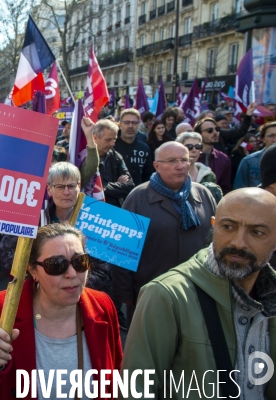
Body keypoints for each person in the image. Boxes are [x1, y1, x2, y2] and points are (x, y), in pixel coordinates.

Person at [122, 188, 276, 399]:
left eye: (257, 232)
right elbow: (136, 390)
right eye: (228, 227)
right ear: (213, 226)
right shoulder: (166, 296)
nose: (238, 242)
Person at [0, 224, 123, 399]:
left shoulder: (103, 305)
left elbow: (116, 373)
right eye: (56, 265)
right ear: (32, 270)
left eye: (80, 262)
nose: (72, 274)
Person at [112, 142, 217, 326]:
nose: (180, 165)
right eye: (172, 161)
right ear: (156, 165)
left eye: (184, 160)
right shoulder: (138, 197)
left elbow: (215, 241)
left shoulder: (203, 194)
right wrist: (126, 294)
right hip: (151, 294)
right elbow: (121, 251)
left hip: (198, 292)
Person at [93, 119, 134, 207]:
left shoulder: (116, 157)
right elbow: (88, 188)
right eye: (108, 140)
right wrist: (117, 186)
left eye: (114, 139)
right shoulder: (85, 158)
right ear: (95, 138)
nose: (113, 144)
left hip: (114, 210)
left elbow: (129, 186)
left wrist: (102, 187)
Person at [175, 132, 223, 202]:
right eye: (189, 147)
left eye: (198, 146)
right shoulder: (171, 173)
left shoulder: (208, 175)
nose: (194, 150)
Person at [114, 108, 154, 186]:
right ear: (120, 124)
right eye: (126, 122)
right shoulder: (111, 146)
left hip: (138, 194)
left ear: (139, 124)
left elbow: (147, 176)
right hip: (114, 195)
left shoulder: (144, 148)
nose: (130, 126)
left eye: (134, 123)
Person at [195, 117, 232, 193]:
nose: (215, 133)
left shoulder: (223, 158)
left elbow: (225, 187)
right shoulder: (190, 156)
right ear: (199, 134)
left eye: (217, 129)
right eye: (210, 130)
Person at [234, 122, 276, 189]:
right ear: (263, 139)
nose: (274, 140)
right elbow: (239, 190)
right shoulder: (248, 161)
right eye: (271, 136)